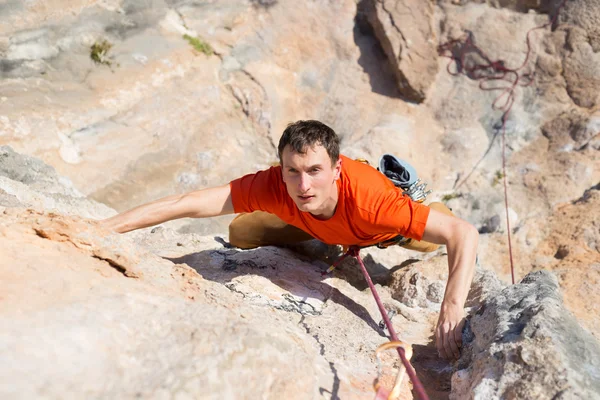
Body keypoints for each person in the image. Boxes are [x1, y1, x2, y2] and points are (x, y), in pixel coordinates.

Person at [101, 120, 478, 360]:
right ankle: (328, 236)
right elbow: (190, 202)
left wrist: (451, 307)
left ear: (336, 168)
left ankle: (408, 190)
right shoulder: (276, 185)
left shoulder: (371, 202)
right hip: (319, 223)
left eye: (315, 170)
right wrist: (106, 228)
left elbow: (464, 233)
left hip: (383, 230)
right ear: (281, 169)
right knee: (243, 231)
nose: (303, 185)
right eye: (292, 172)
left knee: (431, 237)